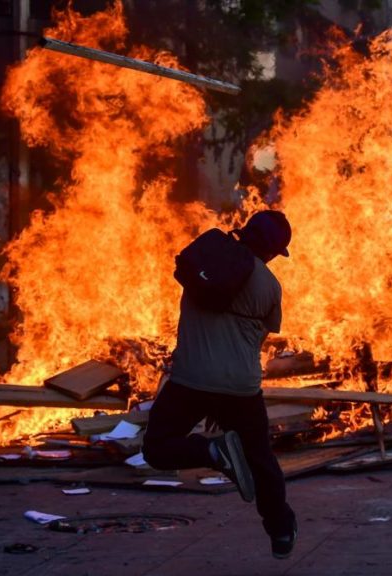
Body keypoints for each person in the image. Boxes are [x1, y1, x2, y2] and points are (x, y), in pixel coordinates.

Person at [143, 210, 297, 559]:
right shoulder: (269, 285)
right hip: (240, 386)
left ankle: (210, 452)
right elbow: (263, 332)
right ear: (273, 251)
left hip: (191, 379)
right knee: (260, 461)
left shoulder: (206, 257)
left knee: (156, 448)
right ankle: (281, 530)